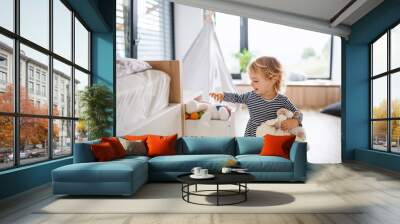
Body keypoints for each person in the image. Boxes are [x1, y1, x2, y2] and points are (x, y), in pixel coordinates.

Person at [209, 56, 302, 137]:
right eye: (251, 80)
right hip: (251, 135)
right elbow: (237, 98)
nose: (251, 84)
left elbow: (297, 113)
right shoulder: (250, 96)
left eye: (255, 81)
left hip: (271, 136)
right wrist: (223, 96)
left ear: (273, 79)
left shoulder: (282, 100)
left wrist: (295, 121)